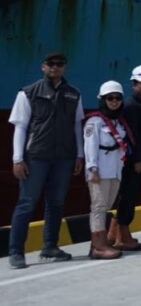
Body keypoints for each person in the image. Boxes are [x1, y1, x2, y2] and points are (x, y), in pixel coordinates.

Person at [8, 51, 84, 269]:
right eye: (51, 64)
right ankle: (16, 252)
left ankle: (50, 246)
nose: (55, 67)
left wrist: (79, 155)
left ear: (64, 67)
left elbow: (76, 126)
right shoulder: (28, 93)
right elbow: (20, 127)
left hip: (64, 158)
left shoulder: (74, 94)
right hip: (36, 157)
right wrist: (17, 159)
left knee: (56, 203)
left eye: (59, 64)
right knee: (26, 203)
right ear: (43, 66)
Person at [83, 81, 131, 260]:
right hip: (100, 171)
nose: (114, 101)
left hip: (115, 170)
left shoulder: (118, 122)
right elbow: (90, 146)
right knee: (98, 207)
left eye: (118, 98)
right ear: (103, 100)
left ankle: (99, 243)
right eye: (110, 98)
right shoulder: (94, 122)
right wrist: (92, 169)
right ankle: (99, 246)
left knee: (107, 205)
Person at [111, 63, 141, 252]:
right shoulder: (131, 106)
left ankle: (112, 235)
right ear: (134, 84)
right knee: (128, 196)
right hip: (134, 161)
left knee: (129, 196)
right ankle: (123, 236)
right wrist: (137, 159)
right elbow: (131, 135)